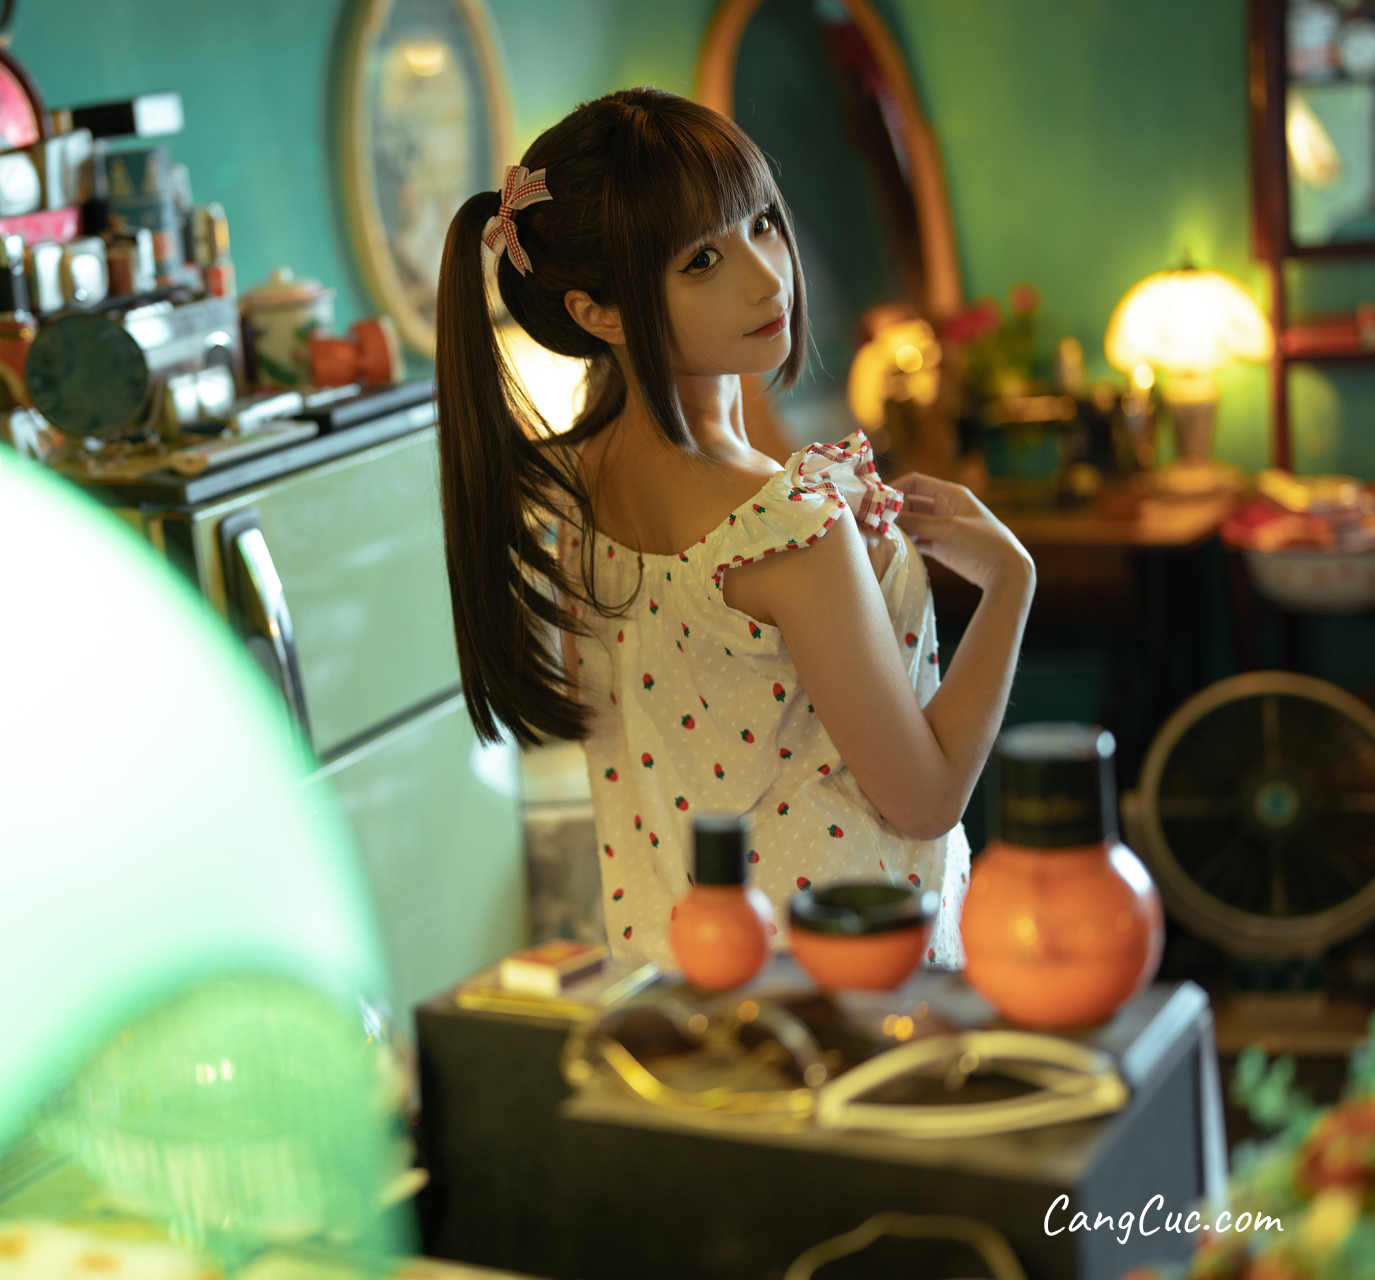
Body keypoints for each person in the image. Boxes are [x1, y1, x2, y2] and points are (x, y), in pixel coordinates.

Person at [433, 88, 1035, 968]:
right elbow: (925, 800)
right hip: (844, 974)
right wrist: (1011, 582)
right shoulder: (783, 529)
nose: (765, 275)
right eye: (703, 261)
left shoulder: (572, 493)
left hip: (681, 976)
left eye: (761, 223)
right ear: (597, 313)